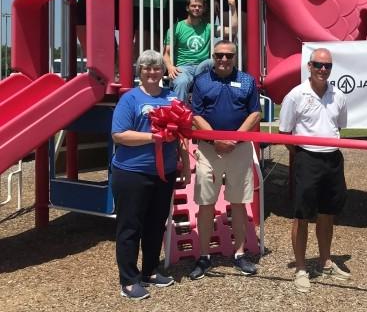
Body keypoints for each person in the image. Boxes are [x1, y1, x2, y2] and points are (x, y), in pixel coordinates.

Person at [111, 49, 189, 300]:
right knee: (130, 226)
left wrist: (185, 165)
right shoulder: (130, 99)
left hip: (163, 173)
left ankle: (150, 271)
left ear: (163, 71)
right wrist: (152, 137)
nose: (153, 72)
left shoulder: (170, 98)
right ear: (140, 72)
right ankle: (129, 280)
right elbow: (119, 135)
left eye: (157, 67)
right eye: (147, 68)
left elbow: (181, 135)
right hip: (132, 172)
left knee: (156, 225)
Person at [189, 39, 262, 280]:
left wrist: (235, 138)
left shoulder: (247, 81)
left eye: (228, 56)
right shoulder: (201, 81)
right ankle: (204, 255)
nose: (223, 60)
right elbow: (196, 114)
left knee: (239, 202)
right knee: (206, 203)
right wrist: (215, 140)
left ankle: (239, 254)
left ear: (235, 57)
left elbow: (255, 112)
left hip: (239, 148)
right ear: (213, 55)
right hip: (209, 150)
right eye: (219, 55)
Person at [279, 48, 350, 293]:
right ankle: (300, 268)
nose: (322, 69)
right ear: (309, 66)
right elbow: (285, 134)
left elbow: (339, 126)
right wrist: (301, 157)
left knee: (327, 213)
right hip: (307, 158)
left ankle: (325, 262)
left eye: (327, 66)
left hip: (332, 159)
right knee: (301, 215)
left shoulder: (338, 95)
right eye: (318, 65)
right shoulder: (295, 95)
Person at [162, 0, 237, 102]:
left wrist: (233, 7)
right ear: (187, 8)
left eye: (199, 6)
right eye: (193, 6)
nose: (196, 8)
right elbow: (166, 53)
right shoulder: (176, 28)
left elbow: (233, 30)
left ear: (203, 9)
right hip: (183, 67)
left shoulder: (209, 27)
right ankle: (179, 115)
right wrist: (170, 68)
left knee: (214, 61)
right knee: (181, 82)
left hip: (203, 67)